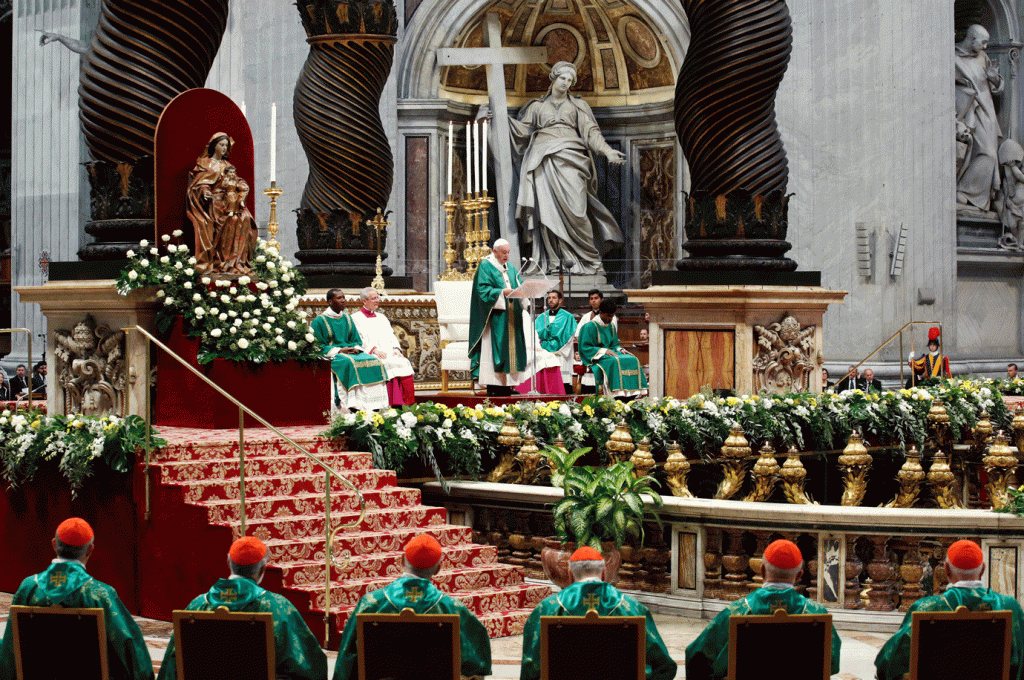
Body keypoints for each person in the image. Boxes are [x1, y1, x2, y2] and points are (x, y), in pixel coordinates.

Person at [508, 61, 626, 276]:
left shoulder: (578, 106)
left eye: (570, 80)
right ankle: (553, 262)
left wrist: (607, 152)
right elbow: (521, 131)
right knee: (545, 214)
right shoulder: (536, 106)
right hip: (542, 162)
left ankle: (589, 260)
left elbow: (591, 133)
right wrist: (499, 119)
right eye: (563, 77)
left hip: (572, 160)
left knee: (577, 211)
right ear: (553, 78)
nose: (566, 83)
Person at [0, 518, 153, 680]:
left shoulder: (29, 587)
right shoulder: (100, 594)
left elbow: (10, 649)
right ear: (90, 550)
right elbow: (130, 650)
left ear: (53, 544)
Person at [158, 537, 326, 680]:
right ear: (262, 569)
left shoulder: (197, 605)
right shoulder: (277, 607)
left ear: (228, 562)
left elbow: (172, 666)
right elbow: (310, 665)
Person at [333, 534, 492, 680]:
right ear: (438, 569)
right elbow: (478, 663)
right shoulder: (453, 609)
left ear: (402, 560)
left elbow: (346, 659)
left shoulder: (370, 603)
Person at [685, 539, 841, 680]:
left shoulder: (737, 611)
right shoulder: (816, 613)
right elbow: (831, 663)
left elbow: (696, 657)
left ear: (762, 571)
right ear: (799, 575)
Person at [875, 539, 1024, 680]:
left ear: (946, 569)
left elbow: (888, 662)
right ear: (983, 569)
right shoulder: (1009, 606)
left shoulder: (926, 608)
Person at [520, 546, 676, 680]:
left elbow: (530, 666)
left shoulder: (546, 610)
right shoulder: (632, 608)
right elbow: (664, 666)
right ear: (603, 573)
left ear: (570, 574)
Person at [310, 289, 389, 414]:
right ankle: (352, 405)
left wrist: (355, 348)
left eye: (343, 298)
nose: (343, 301)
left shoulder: (347, 318)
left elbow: (356, 340)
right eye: (339, 298)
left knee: (374, 360)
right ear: (330, 302)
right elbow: (317, 347)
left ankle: (375, 405)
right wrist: (341, 350)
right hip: (333, 355)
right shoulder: (319, 321)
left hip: (351, 352)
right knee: (350, 363)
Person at [468, 239, 527, 396]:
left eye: (508, 252)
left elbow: (519, 284)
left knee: (512, 351)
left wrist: (525, 293)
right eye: (503, 252)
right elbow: (482, 291)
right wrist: (502, 292)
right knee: (494, 350)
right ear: (495, 251)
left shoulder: (511, 268)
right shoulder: (486, 266)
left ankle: (509, 386)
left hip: (512, 316)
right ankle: (494, 386)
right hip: (495, 318)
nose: (506, 256)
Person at [956, 24, 1004, 212]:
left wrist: (995, 79)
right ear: (972, 38)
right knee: (987, 153)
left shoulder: (982, 58)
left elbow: (998, 88)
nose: (985, 47)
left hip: (988, 111)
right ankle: (965, 192)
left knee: (991, 154)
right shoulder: (952, 58)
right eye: (983, 42)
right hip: (969, 113)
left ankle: (975, 197)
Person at [349, 287, 416, 406]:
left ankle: (408, 402)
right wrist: (374, 350)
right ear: (364, 301)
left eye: (377, 298)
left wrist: (396, 348)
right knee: (386, 363)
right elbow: (359, 339)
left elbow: (391, 335)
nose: (377, 300)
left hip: (389, 350)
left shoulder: (382, 317)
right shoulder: (355, 318)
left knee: (403, 361)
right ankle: (393, 402)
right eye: (373, 298)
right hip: (372, 352)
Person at [579, 299, 647, 399]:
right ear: (601, 313)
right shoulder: (589, 326)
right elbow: (584, 347)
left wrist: (620, 350)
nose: (611, 319)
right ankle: (617, 394)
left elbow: (614, 344)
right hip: (596, 356)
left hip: (610, 353)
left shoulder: (611, 326)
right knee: (615, 361)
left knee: (632, 358)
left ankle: (630, 394)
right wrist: (604, 351)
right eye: (608, 315)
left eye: (612, 315)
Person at [187, 132, 235, 274]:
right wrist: (205, 191)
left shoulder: (227, 165)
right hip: (212, 203)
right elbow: (199, 184)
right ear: (214, 146)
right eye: (221, 145)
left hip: (229, 202)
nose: (224, 148)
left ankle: (229, 262)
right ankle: (215, 260)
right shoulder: (205, 163)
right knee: (218, 222)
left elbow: (235, 183)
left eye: (226, 145)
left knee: (243, 219)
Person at [211, 164, 258, 275]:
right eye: (230, 173)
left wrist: (242, 194)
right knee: (231, 220)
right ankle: (225, 259)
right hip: (224, 205)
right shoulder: (222, 181)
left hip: (237, 204)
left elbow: (243, 186)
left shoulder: (237, 181)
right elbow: (217, 191)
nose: (232, 174)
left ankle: (238, 260)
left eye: (233, 172)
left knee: (245, 218)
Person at [575, 289, 616, 394]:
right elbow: (579, 337)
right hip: (591, 356)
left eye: (596, 298)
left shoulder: (611, 320)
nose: (593, 301)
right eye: (591, 299)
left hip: (606, 356)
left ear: (601, 300)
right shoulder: (587, 320)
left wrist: (619, 349)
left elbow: (613, 340)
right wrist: (602, 350)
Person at [535, 289, 576, 393]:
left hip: (562, 355)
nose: (551, 300)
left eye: (554, 298)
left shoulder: (568, 317)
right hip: (545, 355)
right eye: (549, 298)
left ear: (560, 300)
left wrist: (560, 351)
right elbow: (536, 337)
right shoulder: (541, 317)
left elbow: (570, 337)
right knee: (547, 384)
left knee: (563, 383)